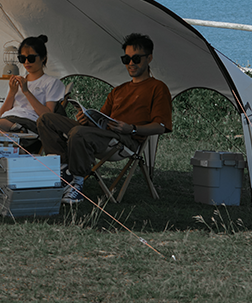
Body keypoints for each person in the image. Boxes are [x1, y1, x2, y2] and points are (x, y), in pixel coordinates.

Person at [37, 32, 172, 204]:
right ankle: (64, 172)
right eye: (126, 59)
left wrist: (131, 128)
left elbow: (160, 126)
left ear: (149, 58)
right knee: (46, 119)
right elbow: (100, 119)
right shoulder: (119, 90)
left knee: (78, 132)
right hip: (104, 134)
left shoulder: (158, 88)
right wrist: (86, 119)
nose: (131, 63)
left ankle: (77, 185)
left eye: (136, 59)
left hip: (126, 140)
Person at [0, 35, 66, 132]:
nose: (26, 62)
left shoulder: (52, 82)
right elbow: (3, 113)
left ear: (43, 58)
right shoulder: (18, 81)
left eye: (31, 58)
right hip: (7, 119)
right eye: (22, 58)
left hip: (28, 123)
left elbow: (48, 115)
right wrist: (12, 92)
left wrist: (26, 92)